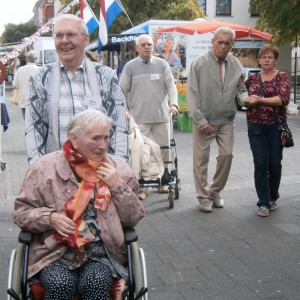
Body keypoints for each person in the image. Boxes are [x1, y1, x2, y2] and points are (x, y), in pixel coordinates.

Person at [14, 109, 144, 300]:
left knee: (95, 283)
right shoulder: (43, 169)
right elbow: (21, 214)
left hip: (101, 255)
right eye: (96, 138)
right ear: (74, 139)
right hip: (53, 254)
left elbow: (133, 218)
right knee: (59, 285)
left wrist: (117, 185)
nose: (103, 146)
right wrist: (50, 218)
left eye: (106, 138)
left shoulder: (119, 171)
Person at [25, 14, 128, 165]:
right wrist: (39, 170)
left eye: (71, 34)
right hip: (56, 174)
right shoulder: (40, 78)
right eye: (59, 35)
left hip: (99, 173)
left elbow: (118, 125)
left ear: (85, 40)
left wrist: (119, 168)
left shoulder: (106, 75)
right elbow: (33, 129)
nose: (64, 41)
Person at [187, 26, 249, 213]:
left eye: (227, 43)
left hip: (227, 120)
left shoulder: (236, 64)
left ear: (232, 45)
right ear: (212, 43)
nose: (223, 46)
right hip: (205, 120)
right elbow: (192, 94)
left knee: (227, 155)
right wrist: (200, 120)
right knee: (200, 161)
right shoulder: (198, 63)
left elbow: (241, 89)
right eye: (219, 42)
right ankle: (203, 197)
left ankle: (215, 191)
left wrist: (245, 98)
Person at [120, 34, 178, 199]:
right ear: (137, 48)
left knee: (165, 149)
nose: (147, 47)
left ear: (153, 46)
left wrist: (174, 104)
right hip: (139, 119)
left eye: (149, 44)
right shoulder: (130, 67)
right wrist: (124, 108)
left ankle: (164, 181)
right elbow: (122, 90)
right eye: (143, 45)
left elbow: (171, 87)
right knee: (140, 152)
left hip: (161, 116)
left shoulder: (162, 64)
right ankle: (142, 185)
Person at [244, 44, 291, 217]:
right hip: (255, 126)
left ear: (275, 60)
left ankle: (273, 197)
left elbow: (283, 99)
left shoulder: (282, 77)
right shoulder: (252, 79)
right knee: (261, 164)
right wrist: (247, 100)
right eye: (263, 56)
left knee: (274, 164)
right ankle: (263, 202)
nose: (266, 59)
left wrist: (260, 100)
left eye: (270, 57)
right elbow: (243, 95)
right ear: (259, 59)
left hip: (275, 127)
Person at [12, 50, 39, 119]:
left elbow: (14, 84)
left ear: (27, 58)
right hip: (37, 100)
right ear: (36, 59)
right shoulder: (40, 70)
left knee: (27, 121)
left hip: (24, 99)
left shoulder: (20, 70)